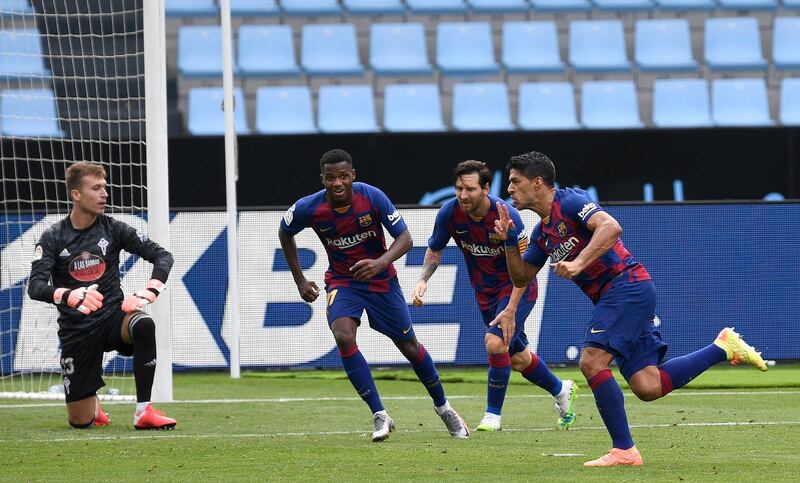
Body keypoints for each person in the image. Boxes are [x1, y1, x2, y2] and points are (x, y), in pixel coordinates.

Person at [494, 151, 767, 467]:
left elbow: (611, 227)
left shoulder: (569, 202)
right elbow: (522, 276)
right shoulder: (542, 233)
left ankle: (624, 450)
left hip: (626, 287)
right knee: (647, 386)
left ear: (538, 182)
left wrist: (579, 263)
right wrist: (509, 243)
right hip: (619, 295)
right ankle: (722, 347)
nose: (510, 189)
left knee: (592, 361)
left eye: (515, 181)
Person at [278, 148, 469, 442]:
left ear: (353, 175)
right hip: (343, 281)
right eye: (330, 178)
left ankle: (444, 408)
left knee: (409, 346)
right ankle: (379, 414)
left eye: (343, 176)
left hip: (382, 282)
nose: (337, 183)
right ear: (322, 179)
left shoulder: (372, 197)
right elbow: (285, 231)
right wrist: (300, 279)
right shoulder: (309, 208)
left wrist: (380, 263)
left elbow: (405, 239)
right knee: (343, 336)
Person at [412, 160, 577, 432]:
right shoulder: (449, 214)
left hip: (517, 289)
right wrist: (422, 280)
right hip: (485, 294)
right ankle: (561, 390)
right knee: (519, 358)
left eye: (470, 189)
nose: (463, 195)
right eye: (458, 189)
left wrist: (511, 307)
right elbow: (435, 249)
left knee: (494, 342)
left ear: (486, 188)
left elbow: (525, 269)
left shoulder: (508, 215)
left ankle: (492, 416)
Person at [28, 161, 177, 430]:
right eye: (96, 188)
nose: (104, 193)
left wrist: (148, 291)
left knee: (143, 323)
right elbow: (35, 287)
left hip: (112, 319)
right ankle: (91, 405)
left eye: (105, 187)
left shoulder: (113, 228)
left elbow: (163, 256)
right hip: (77, 331)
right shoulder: (53, 237)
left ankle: (144, 411)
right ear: (76, 194)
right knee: (80, 422)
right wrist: (68, 295)